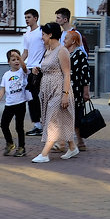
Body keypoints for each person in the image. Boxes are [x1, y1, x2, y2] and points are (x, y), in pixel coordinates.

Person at [32, 22, 76, 163]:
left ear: (50, 35)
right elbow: (48, 67)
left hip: (59, 89)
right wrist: (38, 70)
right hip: (47, 90)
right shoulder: (48, 50)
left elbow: (67, 74)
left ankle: (44, 154)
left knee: (52, 121)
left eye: (44, 35)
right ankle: (72, 147)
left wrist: (65, 94)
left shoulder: (62, 50)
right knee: (60, 120)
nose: (42, 38)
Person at [0, 49, 30, 157]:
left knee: (19, 127)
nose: (16, 61)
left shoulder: (22, 72)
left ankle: (22, 147)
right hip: (9, 104)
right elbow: (2, 90)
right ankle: (10, 143)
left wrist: (21, 58)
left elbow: (25, 68)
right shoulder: (6, 75)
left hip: (20, 103)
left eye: (18, 59)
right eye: (13, 59)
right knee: (4, 125)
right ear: (9, 62)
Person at [65, 30, 92, 152]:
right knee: (67, 115)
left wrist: (86, 91)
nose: (64, 40)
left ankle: (80, 141)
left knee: (76, 116)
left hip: (76, 90)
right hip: (66, 89)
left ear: (74, 41)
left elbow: (85, 74)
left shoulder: (80, 54)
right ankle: (69, 142)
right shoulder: (65, 53)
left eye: (66, 38)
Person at [20, 9, 45, 138]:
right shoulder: (26, 34)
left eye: (29, 17)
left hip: (38, 69)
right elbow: (25, 52)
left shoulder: (41, 32)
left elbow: (48, 49)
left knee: (35, 96)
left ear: (36, 18)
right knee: (30, 97)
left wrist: (39, 66)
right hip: (29, 69)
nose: (26, 19)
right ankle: (37, 124)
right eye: (25, 17)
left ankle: (40, 125)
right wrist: (18, 64)